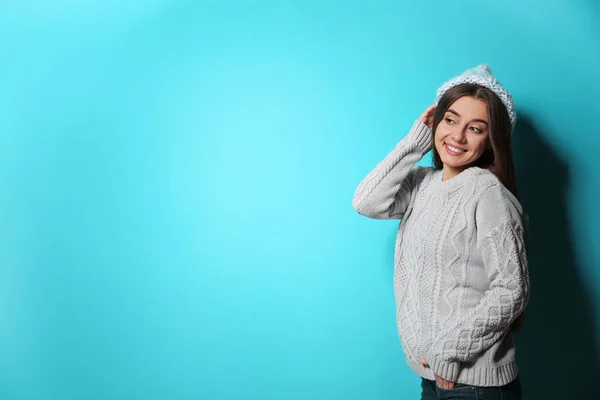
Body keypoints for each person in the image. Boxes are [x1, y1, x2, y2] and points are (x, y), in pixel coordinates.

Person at [352, 65, 530, 399]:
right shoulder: (422, 183)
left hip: (474, 383)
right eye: (450, 120)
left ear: (492, 139)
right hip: (432, 378)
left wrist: (449, 352)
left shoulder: (487, 193)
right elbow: (367, 202)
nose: (458, 136)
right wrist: (415, 142)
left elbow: (511, 290)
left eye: (475, 128)